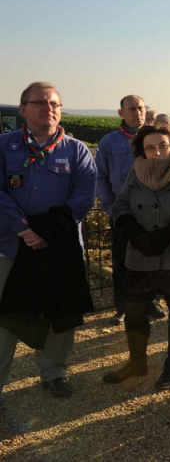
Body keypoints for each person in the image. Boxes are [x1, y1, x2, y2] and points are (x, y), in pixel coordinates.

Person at [0, 82, 97, 398]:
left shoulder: (76, 150)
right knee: (6, 317)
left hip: (58, 249)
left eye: (54, 103)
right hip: (10, 247)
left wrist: (45, 233)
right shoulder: (4, 146)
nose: (48, 108)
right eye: (39, 102)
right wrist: (23, 229)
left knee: (59, 316)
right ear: (23, 109)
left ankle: (53, 372)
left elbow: (82, 199)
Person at [102, 126, 170, 389]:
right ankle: (137, 362)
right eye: (150, 147)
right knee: (134, 309)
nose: (157, 151)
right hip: (140, 254)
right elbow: (120, 204)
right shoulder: (135, 171)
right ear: (142, 151)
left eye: (162, 145)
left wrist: (161, 238)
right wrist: (137, 235)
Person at [96, 95, 166, 324]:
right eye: (132, 109)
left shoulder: (157, 139)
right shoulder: (109, 142)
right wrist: (111, 208)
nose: (138, 113)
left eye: (141, 108)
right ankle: (122, 306)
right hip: (122, 213)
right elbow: (100, 177)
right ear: (121, 113)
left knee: (153, 258)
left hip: (152, 212)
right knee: (121, 260)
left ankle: (151, 302)